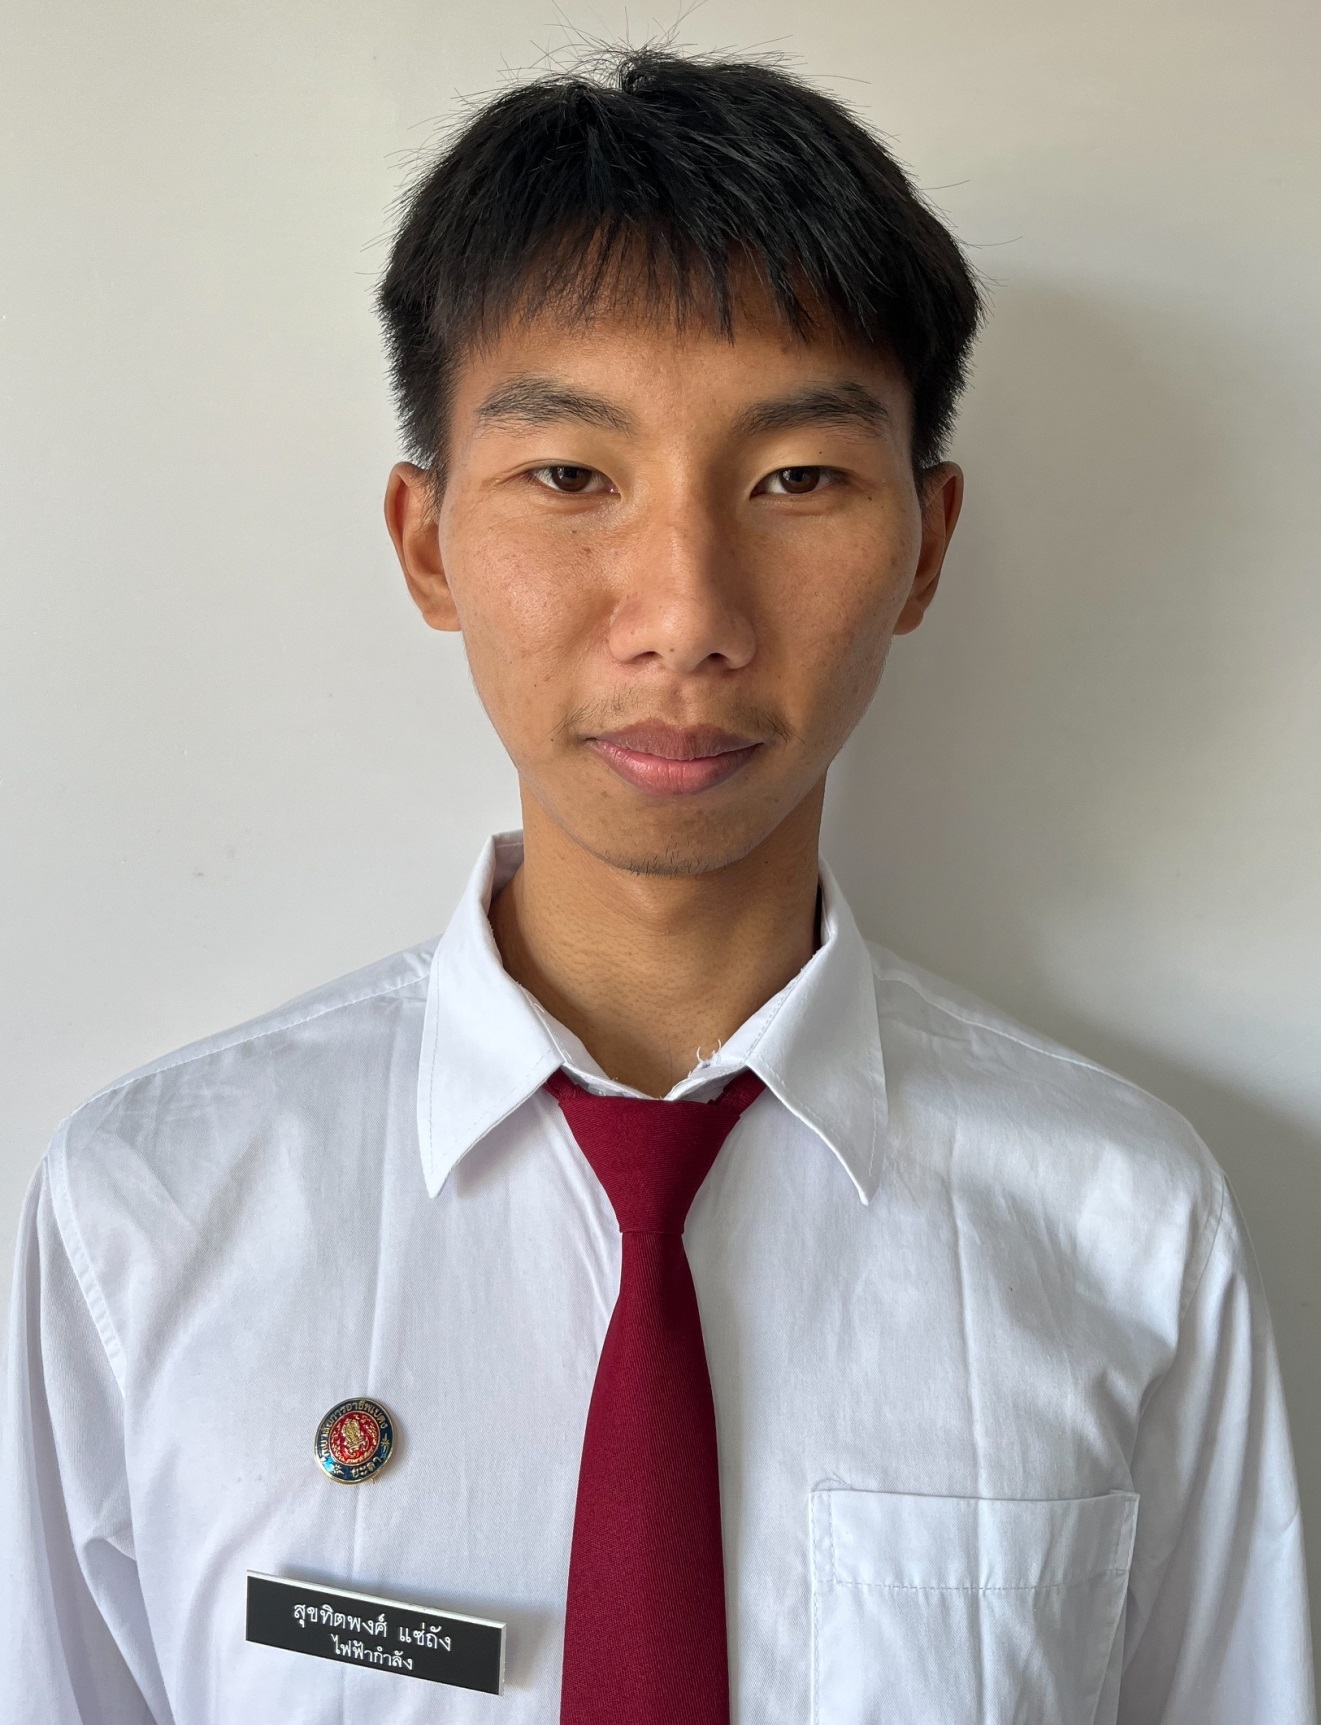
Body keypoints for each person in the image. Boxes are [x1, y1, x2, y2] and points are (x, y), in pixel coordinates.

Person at [1, 45, 1313, 1725]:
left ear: (923, 544)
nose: (684, 613)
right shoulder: (153, 1212)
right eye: (570, 476)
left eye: (796, 480)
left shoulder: (1121, 1221)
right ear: (427, 542)